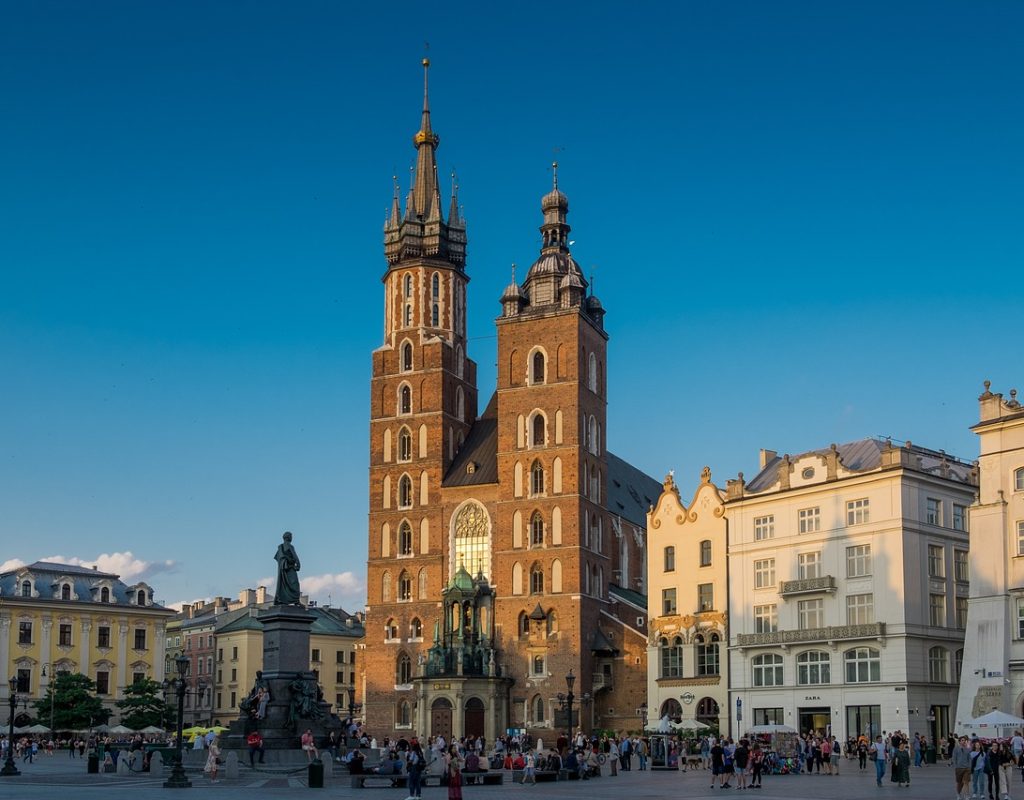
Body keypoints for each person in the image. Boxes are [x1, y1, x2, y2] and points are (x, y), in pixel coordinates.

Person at [273, 530, 302, 605]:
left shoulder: (280, 547)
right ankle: (296, 601)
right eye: (291, 536)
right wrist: (298, 565)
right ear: (288, 537)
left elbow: (278, 558)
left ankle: (282, 600)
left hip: (283, 570)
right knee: (295, 584)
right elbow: (295, 556)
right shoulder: (290, 546)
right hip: (290, 568)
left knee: (283, 586)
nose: (292, 538)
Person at [952, 735, 973, 800]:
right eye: (962, 740)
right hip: (959, 768)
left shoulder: (967, 749)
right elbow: (954, 758)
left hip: (966, 768)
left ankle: (966, 795)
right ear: (959, 742)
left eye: (965, 740)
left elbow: (969, 758)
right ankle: (958, 793)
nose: (964, 742)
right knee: (959, 783)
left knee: (966, 782)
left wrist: (969, 766)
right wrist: (956, 766)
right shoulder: (956, 749)